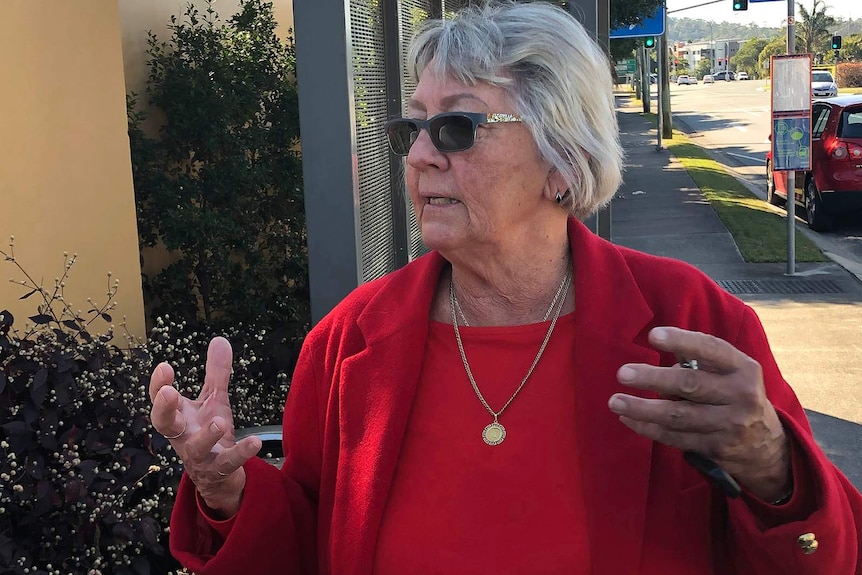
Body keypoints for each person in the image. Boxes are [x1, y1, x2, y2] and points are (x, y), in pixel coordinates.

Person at [148, 2, 862, 574]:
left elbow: (827, 552)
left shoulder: (691, 320)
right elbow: (305, 541)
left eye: (458, 127)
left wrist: (773, 465)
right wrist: (227, 490)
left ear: (562, 158)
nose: (422, 155)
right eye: (412, 130)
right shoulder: (346, 343)